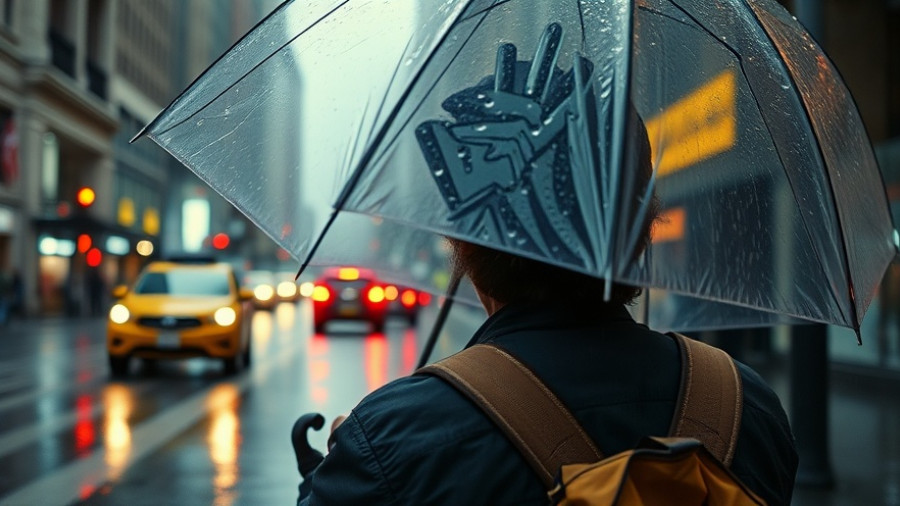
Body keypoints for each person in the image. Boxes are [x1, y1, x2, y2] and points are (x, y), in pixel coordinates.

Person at [297, 25, 798, 506]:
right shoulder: (746, 410)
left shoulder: (392, 441)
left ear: (466, 245)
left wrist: (330, 479)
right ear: (642, 229)